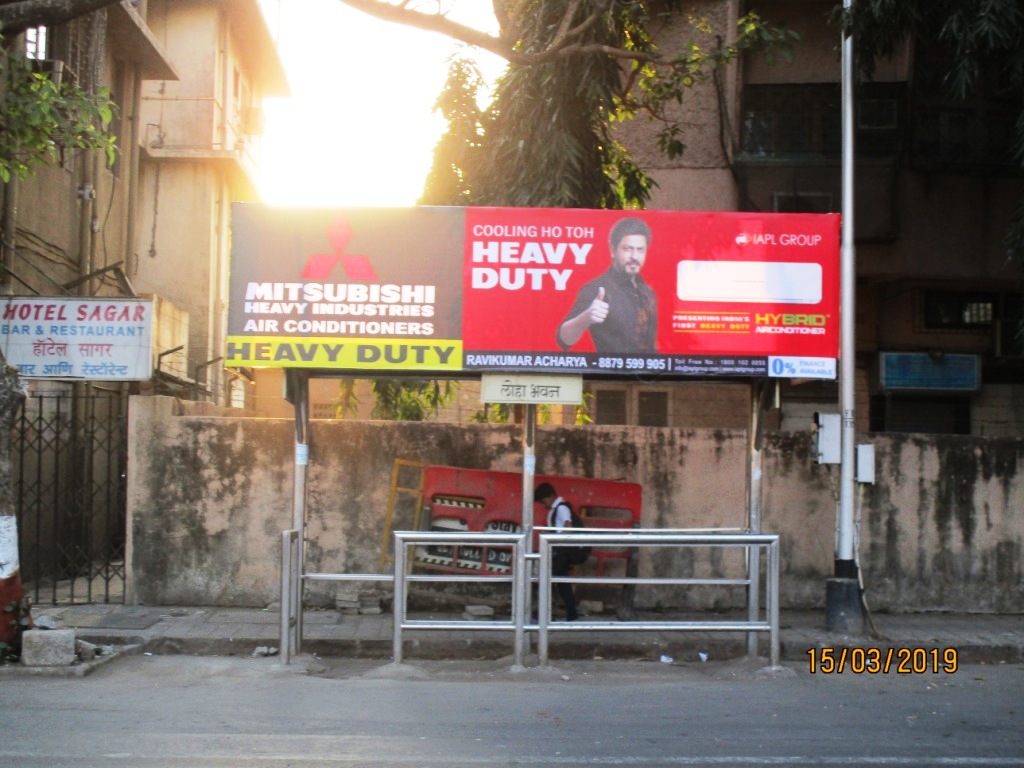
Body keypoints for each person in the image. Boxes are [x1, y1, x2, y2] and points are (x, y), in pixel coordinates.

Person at [557, 217, 658, 353]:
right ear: (612, 250)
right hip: (610, 373)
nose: (635, 256)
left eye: (640, 250)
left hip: (649, 373)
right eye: (628, 249)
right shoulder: (597, 289)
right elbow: (563, 339)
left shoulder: (647, 291)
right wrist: (586, 317)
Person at [533, 481, 579, 621]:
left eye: (544, 500)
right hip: (559, 550)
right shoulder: (556, 509)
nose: (544, 504)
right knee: (562, 584)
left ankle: (541, 614)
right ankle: (572, 615)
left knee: (546, 580)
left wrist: (559, 541)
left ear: (551, 496)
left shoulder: (561, 508)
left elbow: (568, 525)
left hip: (560, 551)